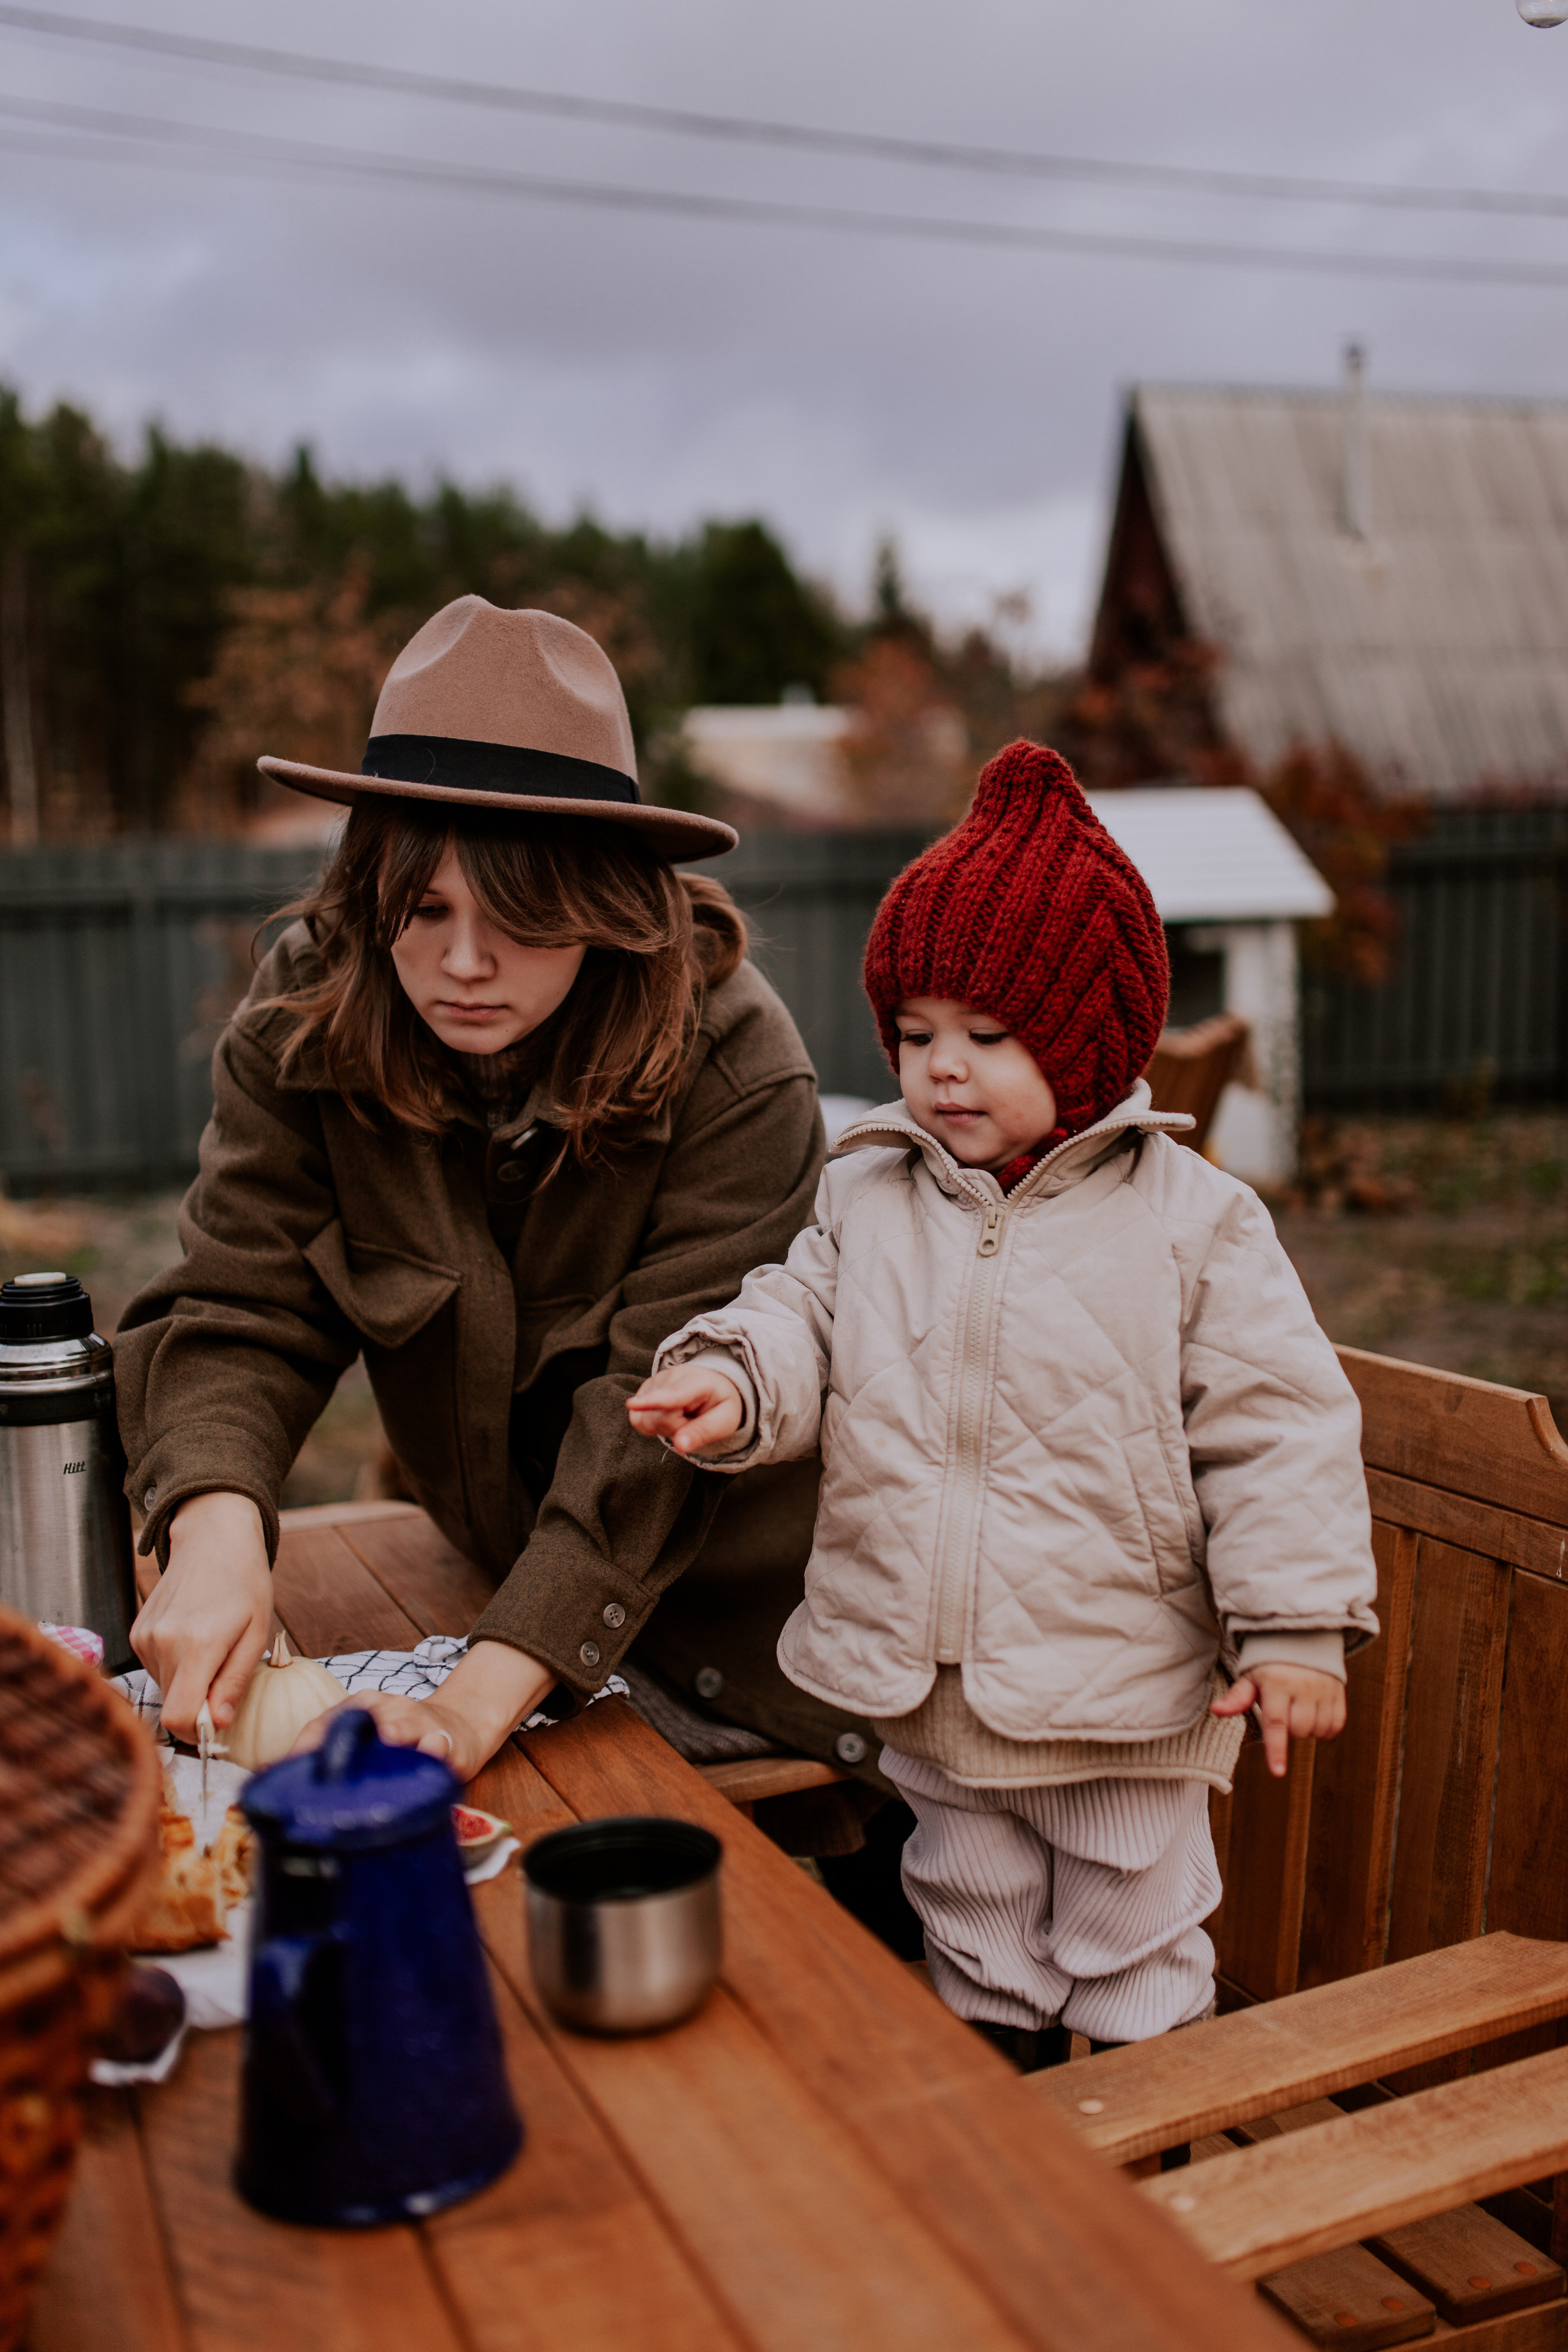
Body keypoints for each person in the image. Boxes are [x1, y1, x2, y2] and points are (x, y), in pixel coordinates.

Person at [628, 740, 1379, 2063]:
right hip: (927, 1684)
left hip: (1115, 1693)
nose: (942, 1069)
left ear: (1087, 1044)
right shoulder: (871, 1192)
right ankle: (1008, 2104)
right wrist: (732, 1381)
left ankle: (1143, 2133)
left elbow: (1277, 1427)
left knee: (1131, 1939)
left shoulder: (1190, 1222)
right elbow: (798, 1315)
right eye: (916, 1035)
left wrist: (1293, 1627)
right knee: (968, 1917)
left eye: (987, 1035)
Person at [115, 595, 883, 1826]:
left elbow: (651, 1435)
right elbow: (238, 1304)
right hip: (486, 1585)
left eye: (522, 919)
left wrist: (472, 1706)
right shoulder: (303, 1015)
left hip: (734, 1640)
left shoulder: (736, 1066)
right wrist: (211, 1532)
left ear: (611, 903)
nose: (464, 964)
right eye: (423, 910)